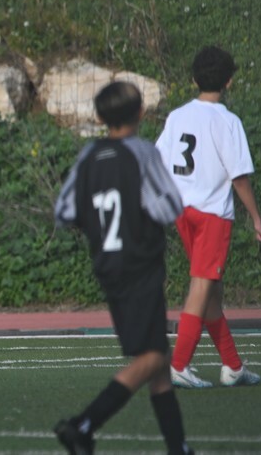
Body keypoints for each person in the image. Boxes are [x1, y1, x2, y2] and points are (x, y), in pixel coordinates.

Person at [54, 82, 192, 455]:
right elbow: (169, 207)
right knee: (153, 357)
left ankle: (178, 447)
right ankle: (83, 424)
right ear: (141, 113)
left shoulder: (88, 155)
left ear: (100, 117)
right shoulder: (143, 153)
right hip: (141, 265)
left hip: (107, 265)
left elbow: (64, 210)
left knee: (159, 362)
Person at [155, 46, 261, 388]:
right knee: (202, 285)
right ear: (229, 81)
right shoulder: (227, 121)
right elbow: (239, 177)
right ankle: (178, 365)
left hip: (182, 212)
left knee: (211, 291)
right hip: (212, 216)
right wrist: (257, 219)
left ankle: (233, 366)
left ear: (193, 79)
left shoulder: (177, 116)